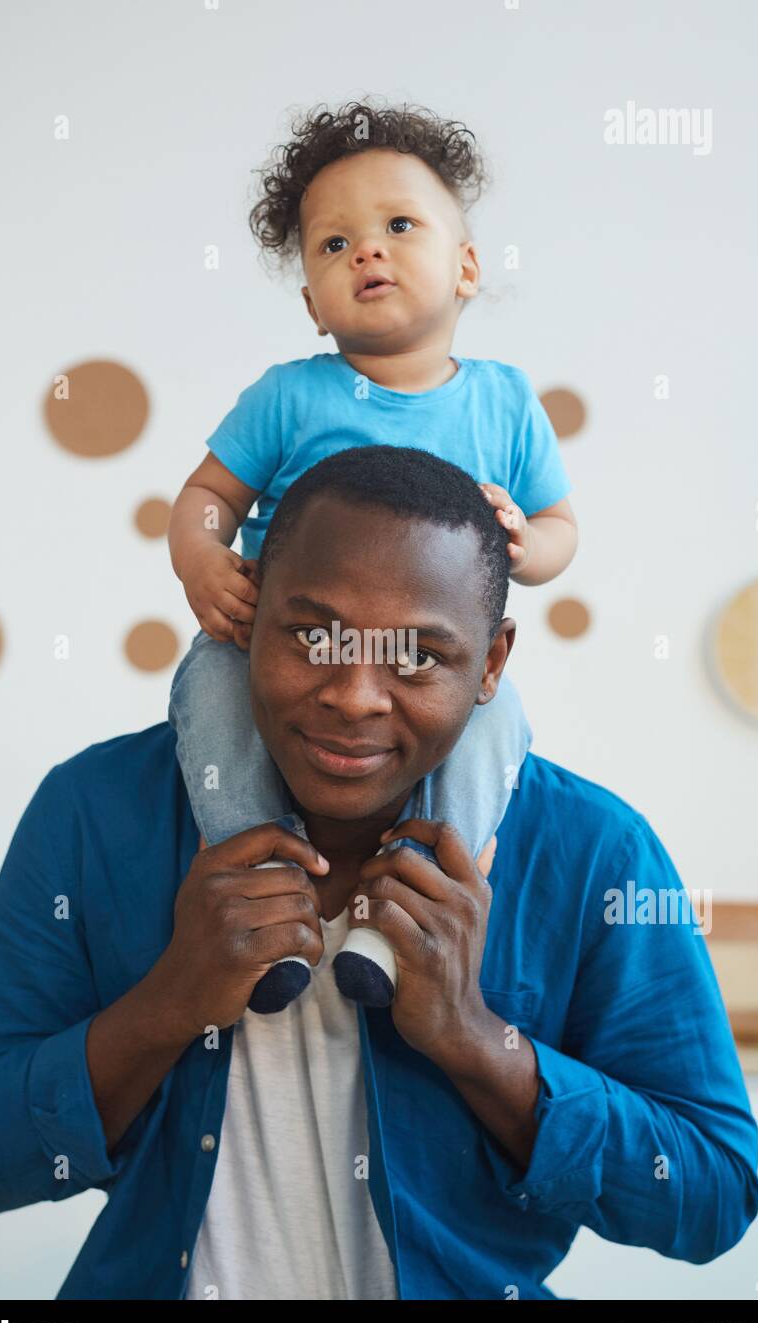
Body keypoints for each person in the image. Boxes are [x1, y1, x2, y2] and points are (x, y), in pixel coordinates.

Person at [0, 450, 758, 1301]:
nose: (356, 696)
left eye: (419, 657)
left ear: (492, 664)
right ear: (247, 617)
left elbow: (711, 1194)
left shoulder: (594, 852)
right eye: (314, 635)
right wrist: (169, 1002)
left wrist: (474, 1039)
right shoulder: (94, 813)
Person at [167, 98, 578, 1010]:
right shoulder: (288, 398)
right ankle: (267, 907)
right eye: (333, 244)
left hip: (433, 667)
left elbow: (560, 530)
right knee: (209, 700)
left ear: (466, 267)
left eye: (399, 225)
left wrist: (528, 544)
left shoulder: (506, 404)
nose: (368, 251)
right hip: (264, 647)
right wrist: (202, 563)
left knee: (495, 734)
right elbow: (203, 502)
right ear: (313, 304)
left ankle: (412, 911)